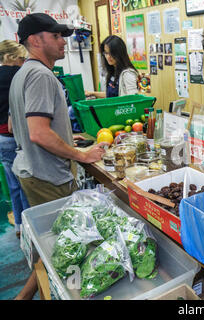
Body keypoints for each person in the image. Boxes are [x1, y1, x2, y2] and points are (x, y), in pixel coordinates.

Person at [9, 13, 108, 300]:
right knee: (67, 249)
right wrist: (81, 154)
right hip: (48, 175)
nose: (63, 41)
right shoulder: (40, 75)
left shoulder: (22, 74)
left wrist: (64, 136)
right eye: (55, 36)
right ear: (34, 40)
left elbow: (20, 126)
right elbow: (38, 133)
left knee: (52, 245)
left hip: (31, 169)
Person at [0, 40, 30, 238]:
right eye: (21, 58)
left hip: (1, 138)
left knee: (13, 186)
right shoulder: (16, 77)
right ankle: (30, 230)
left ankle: (19, 226)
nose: (23, 62)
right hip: (15, 137)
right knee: (26, 187)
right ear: (11, 57)